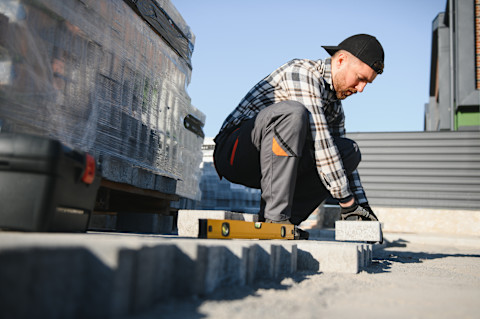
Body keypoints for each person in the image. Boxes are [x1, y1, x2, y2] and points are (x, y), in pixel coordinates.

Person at [213, 34, 384, 238]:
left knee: (349, 151)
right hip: (236, 152)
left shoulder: (335, 108)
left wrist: (361, 206)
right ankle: (275, 219)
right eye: (360, 78)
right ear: (340, 61)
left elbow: (338, 159)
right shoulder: (302, 73)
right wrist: (347, 202)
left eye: (367, 83)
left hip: (275, 165)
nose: (361, 89)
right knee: (293, 113)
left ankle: (284, 223)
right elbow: (322, 145)